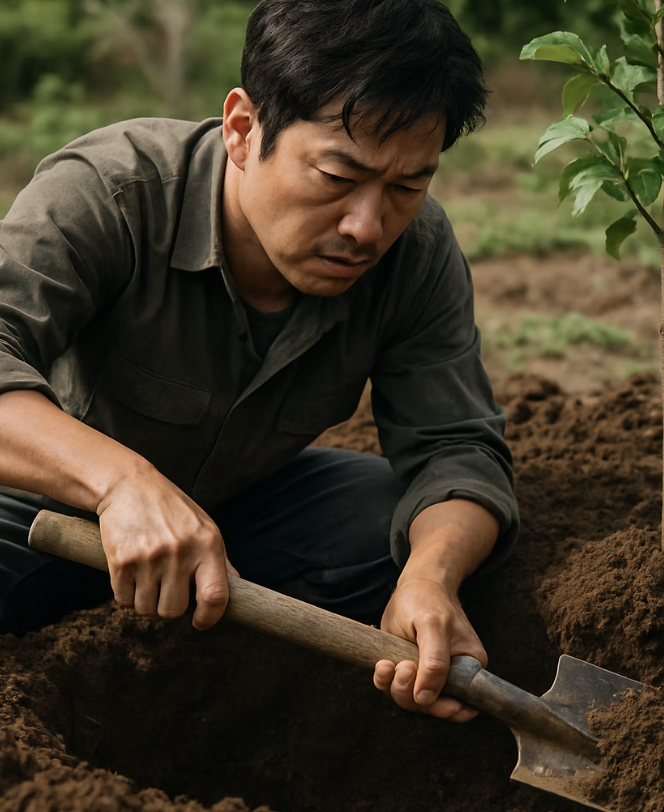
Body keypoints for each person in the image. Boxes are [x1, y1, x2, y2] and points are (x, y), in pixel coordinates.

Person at [0, 0, 518, 724]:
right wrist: (122, 486)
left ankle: (230, 680)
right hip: (45, 513)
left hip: (234, 520)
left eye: (406, 187)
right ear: (244, 129)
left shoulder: (416, 253)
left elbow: (457, 447)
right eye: (338, 176)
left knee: (386, 521)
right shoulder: (113, 192)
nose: (367, 227)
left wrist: (430, 579)